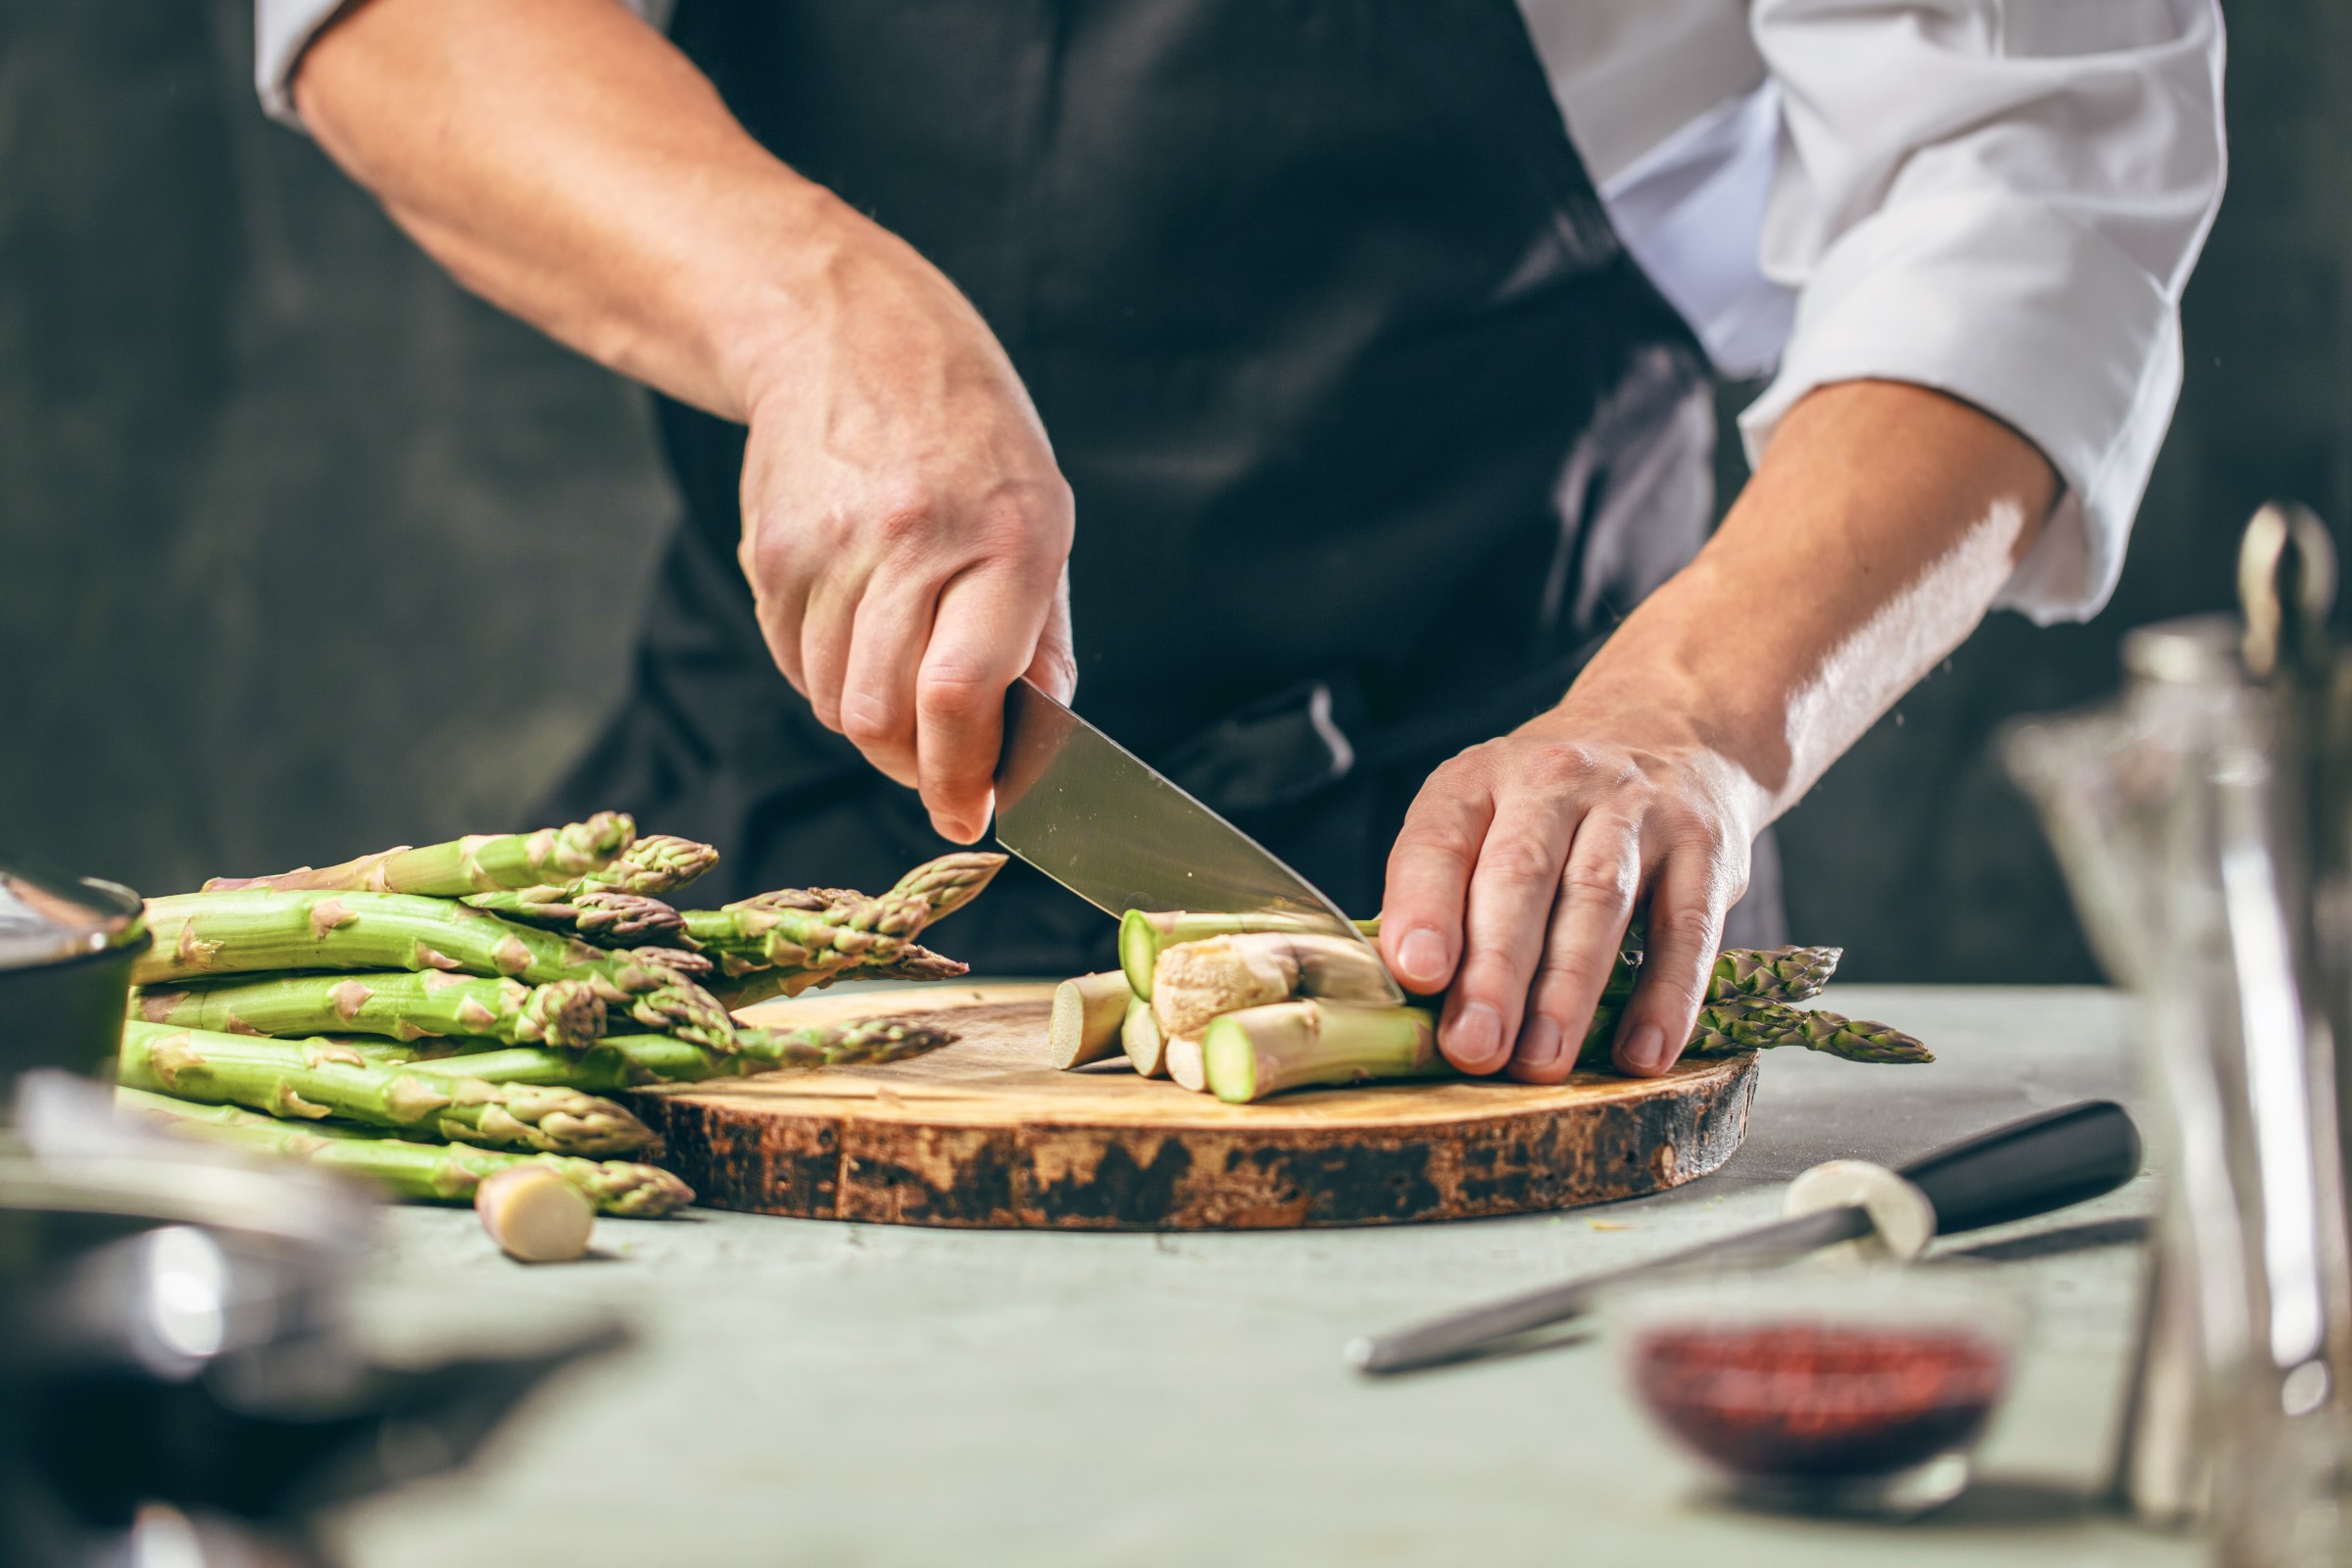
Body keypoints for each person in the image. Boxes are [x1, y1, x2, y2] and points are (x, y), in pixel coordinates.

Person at [256, 0, 2224, 1083]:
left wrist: (1689, 716)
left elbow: (2027, 168)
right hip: (764, 881)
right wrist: (813, 313)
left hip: (1510, 934)